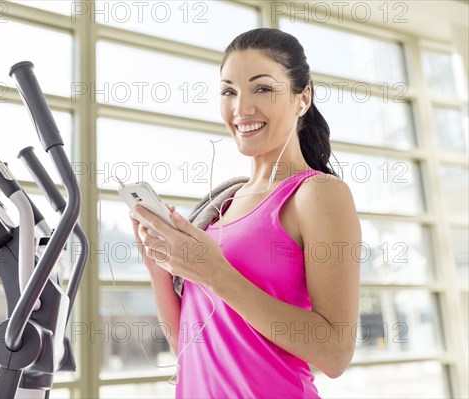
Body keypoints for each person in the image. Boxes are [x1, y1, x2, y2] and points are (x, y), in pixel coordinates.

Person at [129, 27, 361, 398]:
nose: (242, 108)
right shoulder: (222, 207)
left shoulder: (317, 194)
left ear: (303, 99)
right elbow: (190, 348)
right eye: (229, 91)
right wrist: (158, 265)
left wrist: (214, 273)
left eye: (263, 88)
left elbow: (335, 353)